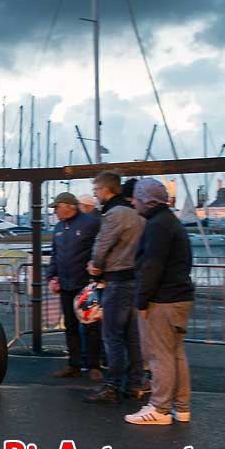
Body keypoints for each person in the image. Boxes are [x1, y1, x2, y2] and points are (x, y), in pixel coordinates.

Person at [124, 178, 194, 425]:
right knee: (175, 353)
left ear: (147, 200)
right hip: (180, 297)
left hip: (162, 300)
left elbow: (152, 266)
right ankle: (181, 407)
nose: (133, 202)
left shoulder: (157, 226)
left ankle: (159, 408)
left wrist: (142, 301)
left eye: (136, 198)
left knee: (159, 354)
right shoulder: (172, 222)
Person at [85, 171, 146, 403]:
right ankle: (135, 383)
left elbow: (102, 246)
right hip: (134, 279)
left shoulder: (114, 214)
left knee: (112, 335)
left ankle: (112, 386)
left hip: (117, 280)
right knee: (132, 336)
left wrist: (95, 266)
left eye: (96, 191)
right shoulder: (137, 214)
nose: (96, 195)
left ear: (105, 190)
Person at [45, 192, 103, 382]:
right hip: (65, 285)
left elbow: (101, 248)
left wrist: (98, 272)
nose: (55, 211)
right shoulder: (59, 227)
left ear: (68, 206)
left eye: (56, 207)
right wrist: (51, 276)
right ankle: (74, 364)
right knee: (70, 326)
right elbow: (55, 254)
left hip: (86, 286)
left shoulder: (90, 223)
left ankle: (94, 366)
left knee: (91, 326)